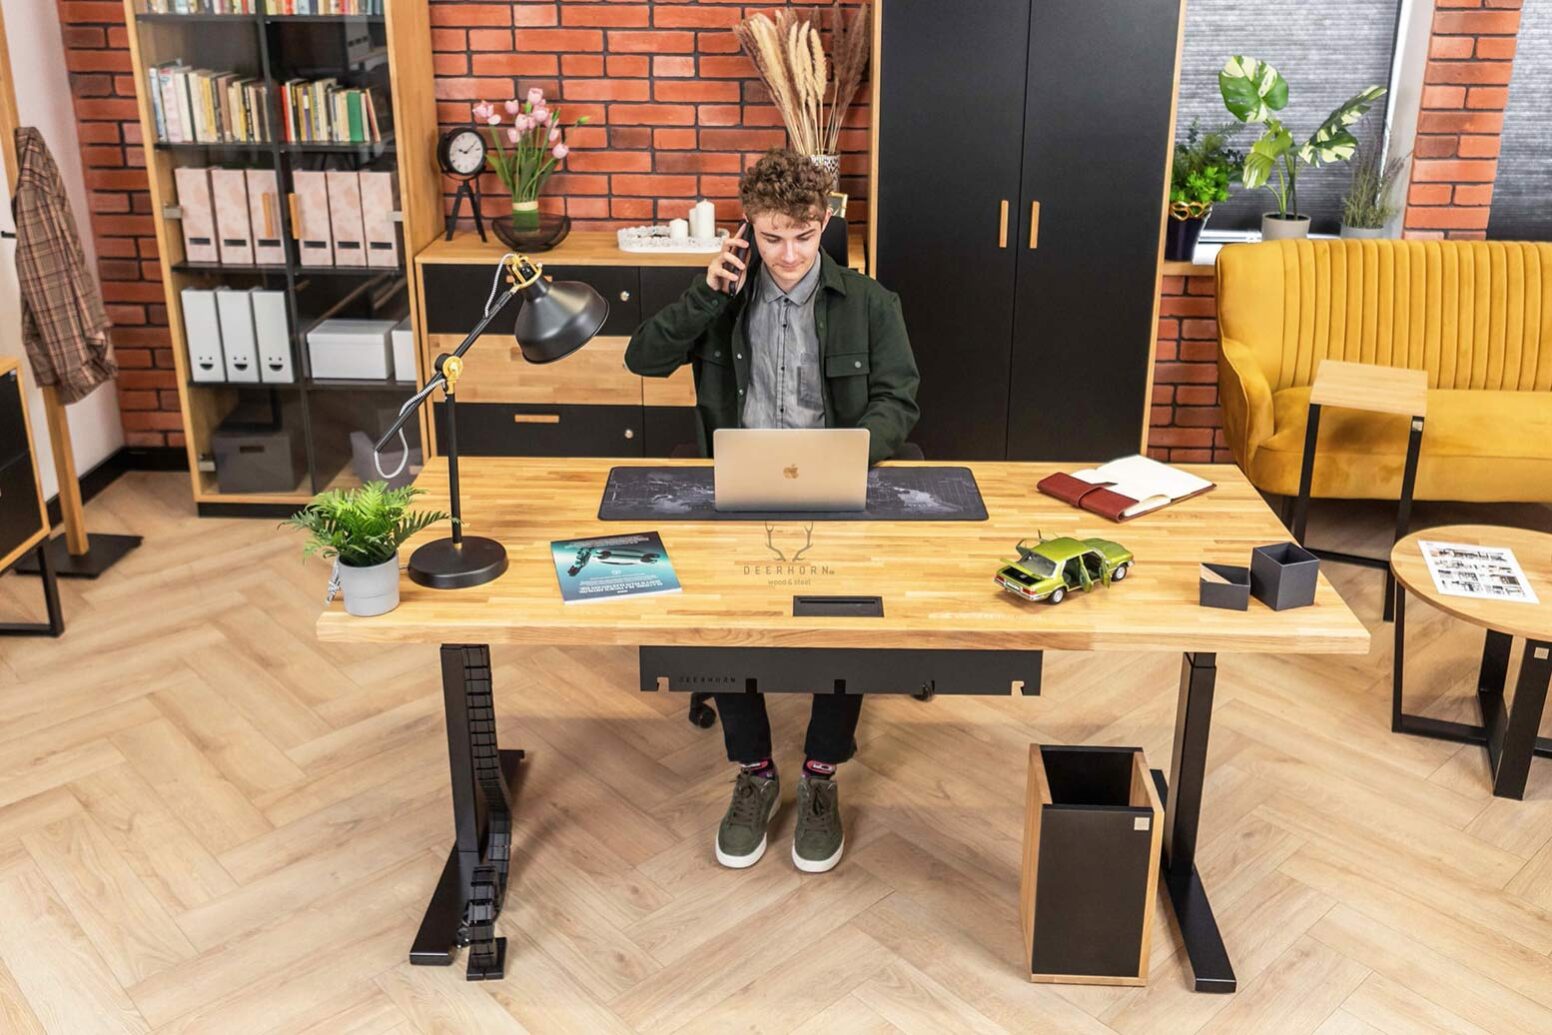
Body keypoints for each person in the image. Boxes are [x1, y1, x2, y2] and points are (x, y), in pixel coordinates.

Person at [625, 149, 920, 873]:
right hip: (742, 489)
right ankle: (754, 770)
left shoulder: (872, 304)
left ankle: (821, 773)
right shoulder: (722, 299)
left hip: (834, 487)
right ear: (745, 233)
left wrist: (849, 453)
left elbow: (898, 402)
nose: (788, 255)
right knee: (725, 625)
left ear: (824, 224)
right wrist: (703, 295)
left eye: (804, 235)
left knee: (846, 624)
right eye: (771, 237)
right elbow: (642, 359)